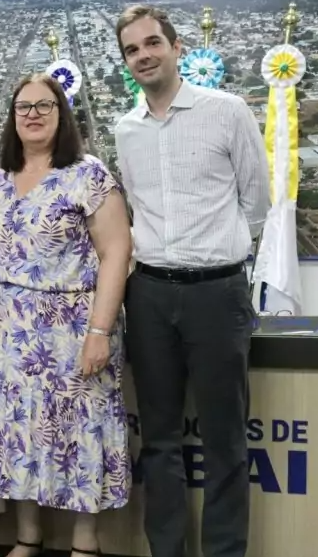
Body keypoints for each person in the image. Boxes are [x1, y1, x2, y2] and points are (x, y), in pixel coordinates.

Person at [114, 6, 269, 557]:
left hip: (216, 293)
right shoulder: (125, 129)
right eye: (132, 50)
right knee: (157, 441)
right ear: (127, 61)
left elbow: (257, 202)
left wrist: (215, 255)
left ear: (177, 47)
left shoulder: (226, 112)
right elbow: (135, 206)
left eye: (153, 43)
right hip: (150, 294)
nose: (144, 55)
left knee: (226, 439)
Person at [0, 73, 132, 557]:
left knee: (79, 432)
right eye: (22, 106)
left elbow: (116, 253)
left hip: (73, 329)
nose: (32, 114)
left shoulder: (88, 174)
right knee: (23, 430)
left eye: (44, 106)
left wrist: (99, 331)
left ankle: (84, 544)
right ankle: (29, 537)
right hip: (12, 333)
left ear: (61, 114)